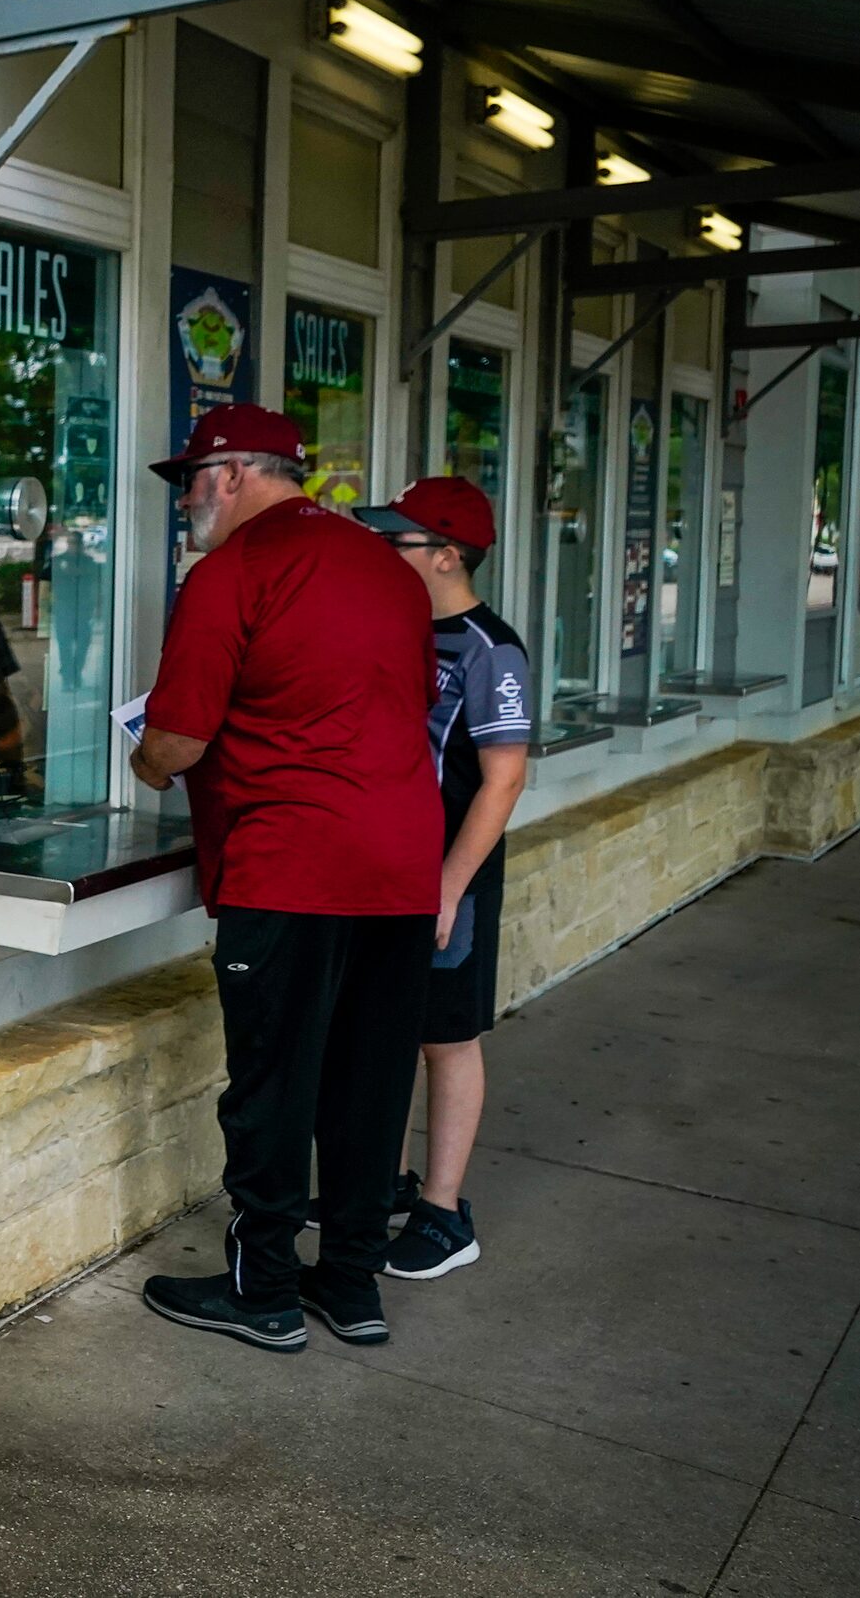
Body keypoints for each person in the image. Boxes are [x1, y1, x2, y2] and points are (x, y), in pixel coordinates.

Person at [129, 404, 443, 1352]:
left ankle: (262, 1288)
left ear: (230, 476)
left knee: (271, 1087)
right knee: (369, 1082)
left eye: (189, 479)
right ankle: (349, 1284)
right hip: (399, 866)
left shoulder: (233, 570)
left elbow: (178, 737)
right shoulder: (386, 572)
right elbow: (409, 704)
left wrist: (144, 765)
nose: (185, 498)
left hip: (292, 865)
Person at [355, 477, 533, 1281]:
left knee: (444, 1035)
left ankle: (442, 1210)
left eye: (395, 542)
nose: (380, 553)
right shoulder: (392, 629)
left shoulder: (491, 647)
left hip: (443, 876)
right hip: (383, 868)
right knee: (387, 1025)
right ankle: (385, 1186)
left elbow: (502, 779)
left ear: (446, 555)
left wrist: (450, 885)